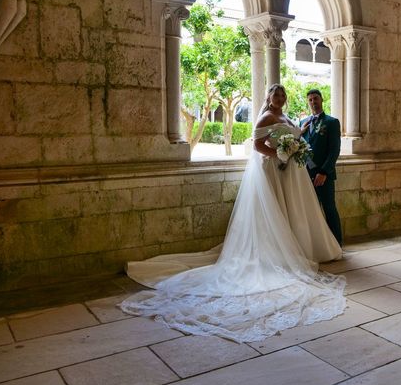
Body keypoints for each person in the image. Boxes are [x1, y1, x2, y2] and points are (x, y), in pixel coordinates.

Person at [120, 84, 345, 343]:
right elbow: (258, 145)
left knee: (295, 211)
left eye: (283, 95)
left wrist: (294, 145)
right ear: (268, 97)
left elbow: (297, 136)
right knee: (276, 213)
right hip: (275, 170)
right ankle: (280, 253)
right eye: (276, 94)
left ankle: (309, 246)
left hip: (290, 175)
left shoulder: (289, 117)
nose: (280, 98)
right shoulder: (266, 116)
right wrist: (280, 154)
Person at [300, 89, 343, 245]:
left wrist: (324, 171)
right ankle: (317, 245)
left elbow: (334, 150)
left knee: (329, 209)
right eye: (310, 100)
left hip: (324, 175)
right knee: (310, 211)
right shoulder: (302, 122)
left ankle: (337, 244)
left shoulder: (332, 122)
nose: (313, 102)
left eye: (316, 98)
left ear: (322, 99)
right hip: (306, 174)